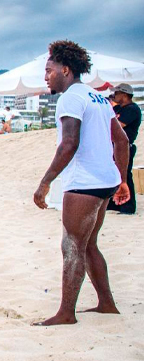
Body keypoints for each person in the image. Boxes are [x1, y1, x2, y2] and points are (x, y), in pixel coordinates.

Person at [32, 40, 130, 326]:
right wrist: (122, 181)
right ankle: (106, 304)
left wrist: (45, 182)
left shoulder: (71, 97)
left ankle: (66, 313)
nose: (46, 76)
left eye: (49, 70)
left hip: (84, 183)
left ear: (65, 69)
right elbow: (121, 141)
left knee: (72, 246)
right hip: (105, 181)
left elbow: (69, 144)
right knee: (88, 245)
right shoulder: (98, 97)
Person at [107, 83, 141, 214]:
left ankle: (129, 206)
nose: (114, 96)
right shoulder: (119, 109)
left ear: (125, 95)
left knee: (125, 175)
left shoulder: (132, 109)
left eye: (116, 94)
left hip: (125, 146)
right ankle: (115, 203)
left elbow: (118, 125)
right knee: (114, 174)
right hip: (115, 146)